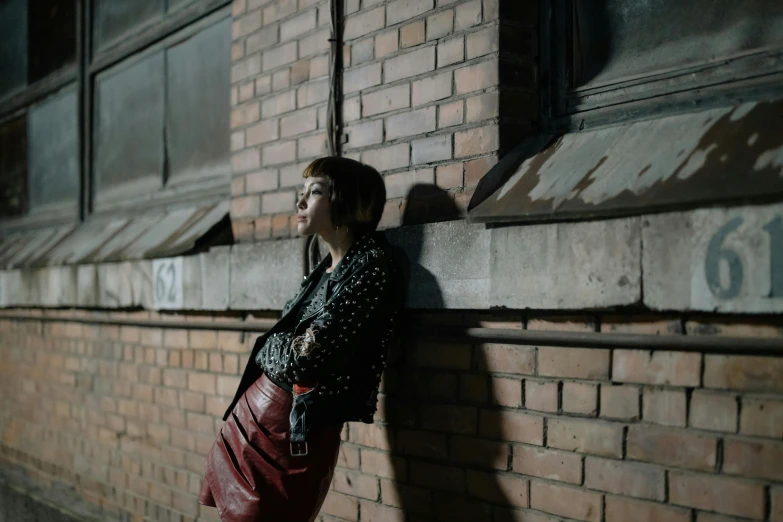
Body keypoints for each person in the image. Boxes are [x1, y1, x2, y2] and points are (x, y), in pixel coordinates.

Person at [198, 157, 405, 522]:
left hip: (295, 432)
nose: (300, 202)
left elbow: (303, 359)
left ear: (349, 201)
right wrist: (280, 345)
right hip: (255, 421)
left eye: (315, 192)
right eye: (303, 192)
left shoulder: (372, 265)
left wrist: (269, 347)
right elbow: (289, 345)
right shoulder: (323, 271)